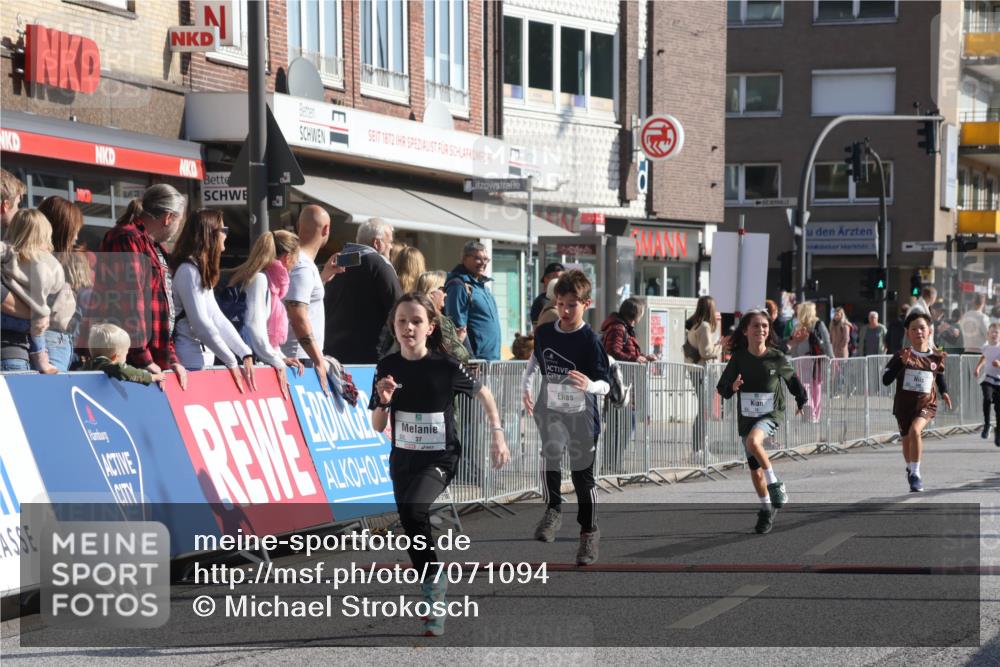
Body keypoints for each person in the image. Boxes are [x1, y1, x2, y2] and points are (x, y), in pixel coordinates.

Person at [370, 293, 509, 637]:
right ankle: (432, 584)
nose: (408, 328)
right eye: (401, 321)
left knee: (416, 511)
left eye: (416, 321)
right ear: (394, 326)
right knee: (411, 524)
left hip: (441, 457)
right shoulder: (388, 367)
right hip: (403, 459)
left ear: (430, 327)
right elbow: (376, 424)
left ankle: (434, 595)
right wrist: (384, 402)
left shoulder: (445, 366)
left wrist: (497, 432)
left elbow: (484, 395)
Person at [521, 270, 610, 565]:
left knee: (582, 477)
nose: (566, 310)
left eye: (572, 304)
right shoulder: (545, 332)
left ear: (587, 303)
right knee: (551, 451)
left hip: (583, 417)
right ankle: (553, 510)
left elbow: (605, 383)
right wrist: (525, 386)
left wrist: (590, 385)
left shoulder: (590, 340)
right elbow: (535, 360)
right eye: (561, 304)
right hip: (552, 411)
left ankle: (589, 533)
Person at [716, 310, 808, 534]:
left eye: (765, 326)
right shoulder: (739, 358)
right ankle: (766, 509)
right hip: (747, 417)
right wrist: (733, 387)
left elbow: (792, 379)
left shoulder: (775, 357)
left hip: (771, 413)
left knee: (754, 442)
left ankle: (775, 484)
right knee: (755, 471)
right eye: (756, 326)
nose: (761, 330)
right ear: (746, 330)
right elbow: (722, 388)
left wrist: (801, 400)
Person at [93, 184, 188, 389]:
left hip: (148, 361)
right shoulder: (128, 238)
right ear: (168, 218)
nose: (177, 228)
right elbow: (129, 303)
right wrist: (143, 359)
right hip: (125, 361)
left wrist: (171, 358)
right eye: (179, 221)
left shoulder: (155, 247)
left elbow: (165, 309)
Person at [170, 209, 257, 393]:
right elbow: (201, 325)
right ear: (209, 234)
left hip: (201, 362)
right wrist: (231, 360)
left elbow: (217, 318)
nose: (226, 235)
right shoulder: (188, 271)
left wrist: (244, 352)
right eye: (223, 230)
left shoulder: (198, 269)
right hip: (189, 363)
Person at [226, 230, 306, 399]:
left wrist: (281, 357)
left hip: (247, 360)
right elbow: (254, 329)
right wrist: (277, 362)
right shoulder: (260, 280)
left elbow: (265, 335)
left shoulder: (269, 282)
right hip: (242, 362)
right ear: (287, 257)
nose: (296, 264)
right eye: (296, 259)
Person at [881, 310, 952, 492]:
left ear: (929, 331)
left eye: (922, 328)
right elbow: (886, 380)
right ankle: (910, 468)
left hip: (926, 404)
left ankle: (916, 474)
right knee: (906, 441)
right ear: (908, 333)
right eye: (914, 329)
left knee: (915, 431)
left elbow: (939, 376)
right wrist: (901, 364)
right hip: (904, 406)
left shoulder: (936, 357)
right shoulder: (902, 355)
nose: (918, 332)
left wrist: (944, 392)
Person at [0, 209, 73, 373]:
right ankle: (42, 360)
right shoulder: (49, 261)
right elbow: (58, 284)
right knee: (38, 328)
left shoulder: (8, 250)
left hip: (7, 320)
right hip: (30, 324)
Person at [324, 217, 401, 364]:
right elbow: (397, 306)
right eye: (390, 242)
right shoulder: (379, 263)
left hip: (333, 352)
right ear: (377, 243)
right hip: (369, 355)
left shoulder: (340, 261)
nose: (391, 247)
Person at [285, 205, 341, 394]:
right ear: (326, 229)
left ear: (299, 225)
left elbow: (300, 302)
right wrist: (318, 360)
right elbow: (297, 314)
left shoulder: (303, 264)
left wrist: (323, 277)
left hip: (300, 357)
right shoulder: (303, 266)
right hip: (300, 360)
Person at [36, 196, 86, 371]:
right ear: (61, 230)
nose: (77, 237)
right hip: (51, 340)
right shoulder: (43, 263)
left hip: (63, 341)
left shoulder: (69, 261)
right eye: (74, 230)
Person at [445, 241, 501, 361]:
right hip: (476, 362)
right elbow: (457, 326)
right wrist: (470, 359)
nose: (483, 263)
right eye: (477, 258)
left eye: (486, 259)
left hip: (491, 360)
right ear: (465, 259)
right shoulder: (458, 286)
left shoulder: (482, 286)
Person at [684, 296, 724, 451]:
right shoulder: (704, 327)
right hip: (703, 372)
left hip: (696, 371)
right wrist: (719, 347)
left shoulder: (695, 325)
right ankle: (698, 448)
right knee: (704, 410)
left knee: (703, 410)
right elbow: (706, 352)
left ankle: (699, 448)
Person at [789, 302, 832, 422]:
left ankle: (809, 409)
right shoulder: (819, 324)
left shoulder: (797, 326)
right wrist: (831, 358)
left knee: (804, 385)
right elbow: (827, 342)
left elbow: (794, 346)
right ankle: (815, 415)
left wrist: (794, 358)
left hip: (801, 359)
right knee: (816, 387)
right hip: (817, 360)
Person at [83, 323, 163, 385]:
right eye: (126, 353)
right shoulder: (107, 367)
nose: (126, 356)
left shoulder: (88, 366)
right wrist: (151, 377)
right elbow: (122, 370)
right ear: (115, 357)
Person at [600, 297, 656, 363]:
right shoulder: (618, 329)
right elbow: (613, 353)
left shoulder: (625, 328)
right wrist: (634, 359)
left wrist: (644, 358)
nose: (641, 317)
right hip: (618, 371)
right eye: (641, 314)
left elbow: (629, 352)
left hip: (623, 371)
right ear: (635, 314)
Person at [973, 322, 1000, 445]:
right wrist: (978, 367)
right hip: (988, 379)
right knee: (987, 399)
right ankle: (987, 424)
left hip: (999, 381)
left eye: (997, 332)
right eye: (992, 332)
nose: (994, 334)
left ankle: (998, 432)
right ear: (988, 334)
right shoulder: (985, 347)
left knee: (998, 408)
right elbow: (984, 357)